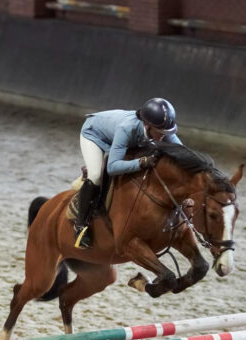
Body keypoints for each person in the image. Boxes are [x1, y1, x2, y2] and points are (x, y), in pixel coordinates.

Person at [71, 97, 183, 248]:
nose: (165, 135)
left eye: (167, 132)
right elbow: (113, 168)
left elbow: (182, 152)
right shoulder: (127, 128)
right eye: (161, 132)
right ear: (148, 126)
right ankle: (80, 226)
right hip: (94, 135)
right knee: (97, 175)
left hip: (120, 138)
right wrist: (142, 163)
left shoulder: (158, 128)